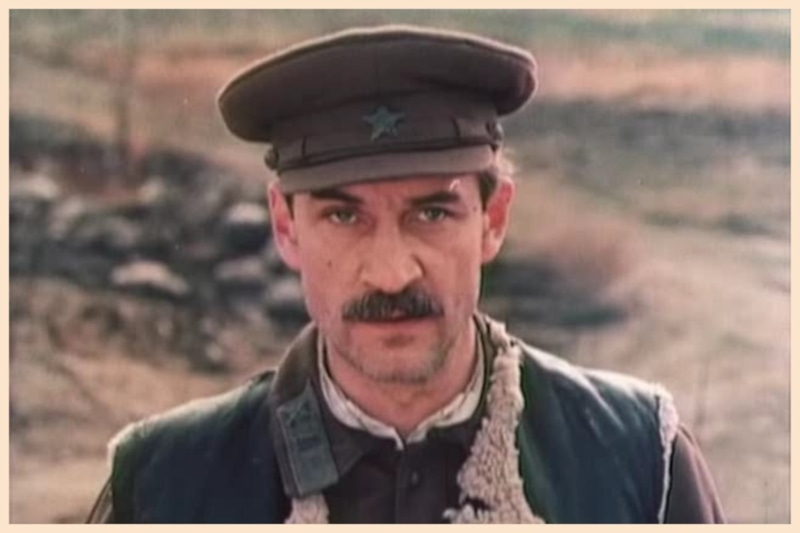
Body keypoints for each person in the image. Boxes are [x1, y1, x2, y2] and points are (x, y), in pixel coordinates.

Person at [86, 24, 724, 524]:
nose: (391, 275)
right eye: (343, 216)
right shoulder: (165, 484)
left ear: (493, 219)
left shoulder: (639, 464)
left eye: (432, 213)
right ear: (286, 227)